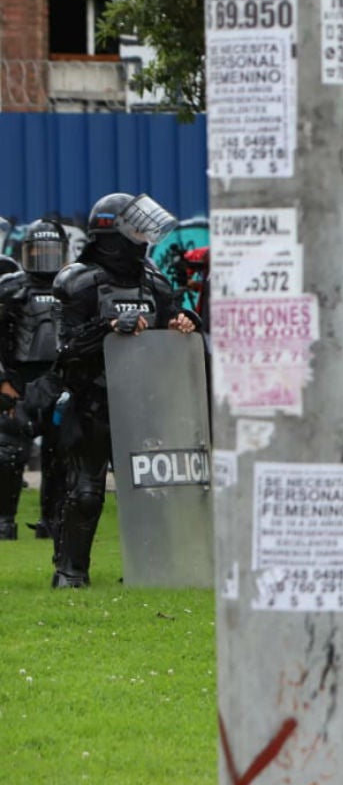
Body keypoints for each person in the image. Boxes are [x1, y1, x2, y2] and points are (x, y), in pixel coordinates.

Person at [51, 194, 198, 588]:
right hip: (93, 401)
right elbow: (61, 348)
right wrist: (109, 328)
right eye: (133, 227)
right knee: (85, 492)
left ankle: (155, 572)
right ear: (111, 232)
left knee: (155, 491)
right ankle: (70, 572)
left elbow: (171, 319)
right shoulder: (78, 282)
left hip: (146, 403)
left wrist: (182, 322)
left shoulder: (155, 281)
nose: (141, 236)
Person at [0, 219, 68, 540]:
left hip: (61, 382)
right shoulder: (9, 287)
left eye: (51, 250)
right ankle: (4, 522)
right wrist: (2, 382)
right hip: (18, 383)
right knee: (8, 454)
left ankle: (52, 522)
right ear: (26, 251)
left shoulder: (75, 285)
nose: (44, 256)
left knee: (61, 455)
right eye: (37, 249)